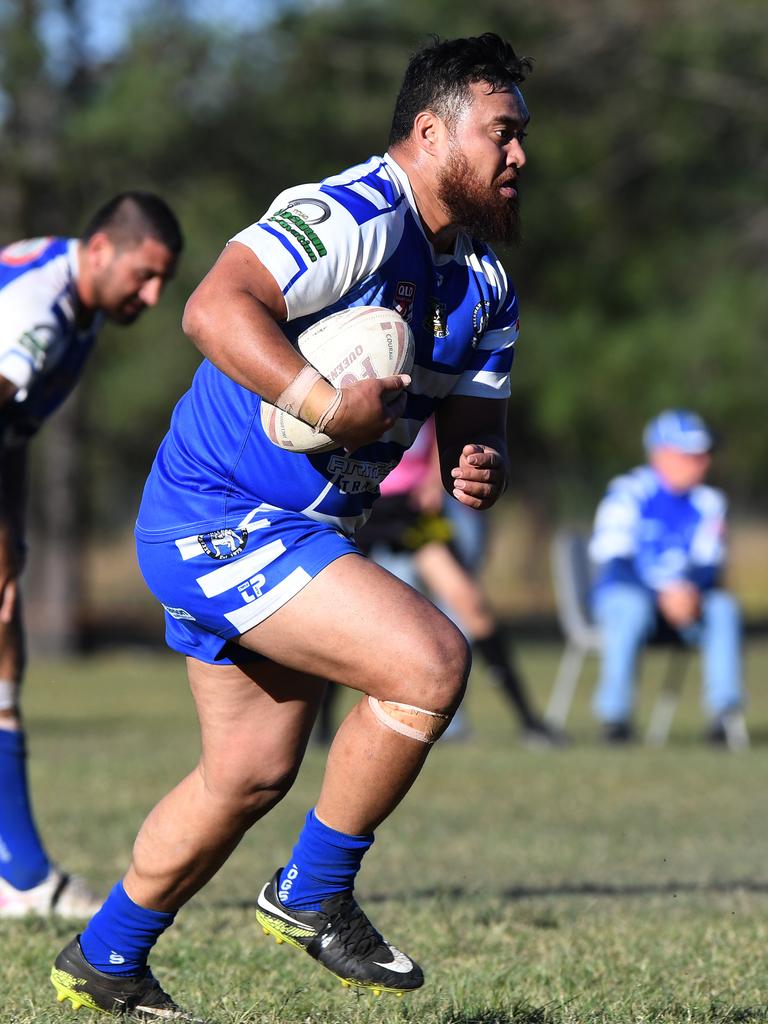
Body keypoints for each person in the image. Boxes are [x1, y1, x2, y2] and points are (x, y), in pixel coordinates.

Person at [52, 33, 531, 1018]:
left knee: (249, 774)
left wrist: (478, 460)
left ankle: (104, 957)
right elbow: (213, 307)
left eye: (524, 136)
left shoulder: (486, 281)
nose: (521, 155)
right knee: (431, 661)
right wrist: (323, 399)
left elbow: (475, 424)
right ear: (432, 133)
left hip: (298, 534)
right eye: (504, 134)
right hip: (220, 514)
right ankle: (311, 893)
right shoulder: (351, 212)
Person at [0, 193, 182, 918]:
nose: (154, 294)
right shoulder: (40, 312)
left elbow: (11, 432)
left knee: (5, 650)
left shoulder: (74, 302)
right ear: (102, 249)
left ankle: (21, 873)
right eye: (145, 275)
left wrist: (10, 532)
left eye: (163, 280)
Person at [317, 417, 565, 748]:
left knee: (471, 604)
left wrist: (435, 480)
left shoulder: (428, 373)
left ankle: (530, 723)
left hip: (412, 509)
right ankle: (320, 729)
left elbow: (441, 428)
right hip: (360, 504)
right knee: (336, 616)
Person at [589, 409, 745, 744]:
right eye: (691, 454)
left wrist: (687, 593)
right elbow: (617, 562)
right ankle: (615, 721)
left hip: (684, 602)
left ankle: (724, 718)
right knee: (630, 606)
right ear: (661, 454)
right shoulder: (628, 492)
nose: (702, 461)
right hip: (630, 595)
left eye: (705, 454)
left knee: (722, 609)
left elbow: (709, 566)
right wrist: (661, 595)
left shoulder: (710, 502)